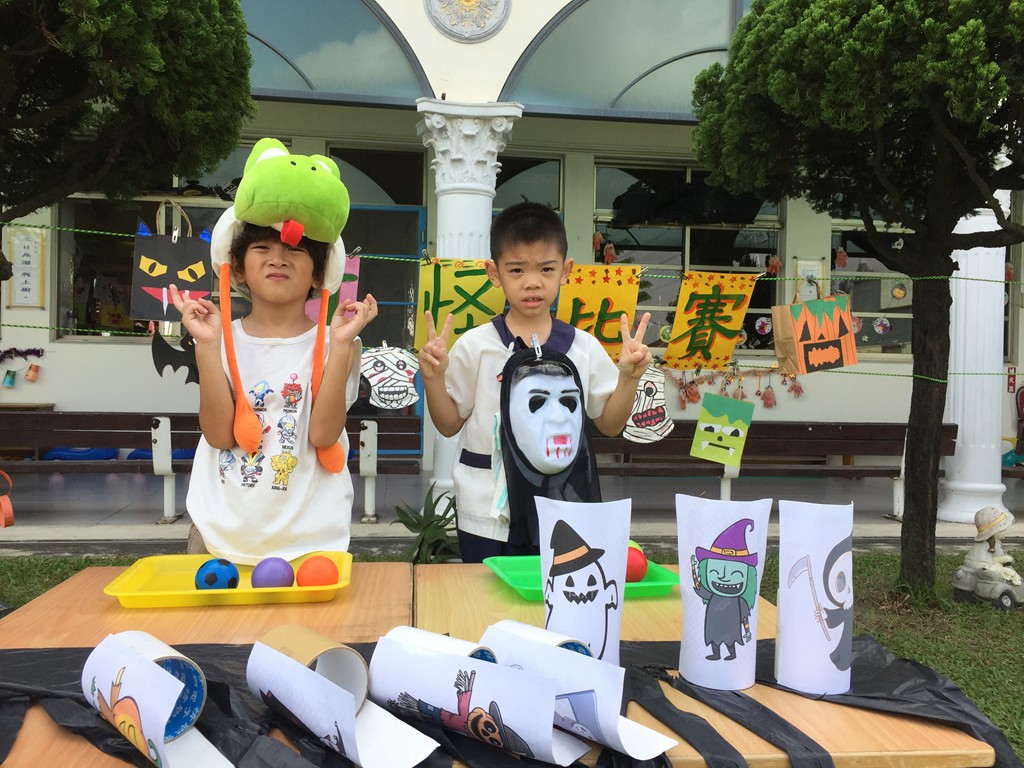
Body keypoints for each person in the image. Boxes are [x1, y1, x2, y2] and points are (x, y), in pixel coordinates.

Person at [171, 138, 377, 565]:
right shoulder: (219, 338)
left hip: (308, 537)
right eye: (261, 248)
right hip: (220, 530)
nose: (277, 259)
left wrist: (340, 347)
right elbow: (218, 435)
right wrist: (206, 348)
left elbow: (323, 435)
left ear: (320, 273)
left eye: (295, 250)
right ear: (238, 267)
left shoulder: (338, 343)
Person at [419, 201, 651, 563]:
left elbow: (609, 424)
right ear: (494, 272)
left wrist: (628, 379)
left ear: (565, 271)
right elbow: (449, 425)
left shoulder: (583, 347)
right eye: (516, 270)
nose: (532, 282)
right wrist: (433, 379)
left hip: (563, 507)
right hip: (486, 513)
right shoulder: (476, 345)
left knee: (556, 593)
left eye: (546, 269)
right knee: (486, 594)